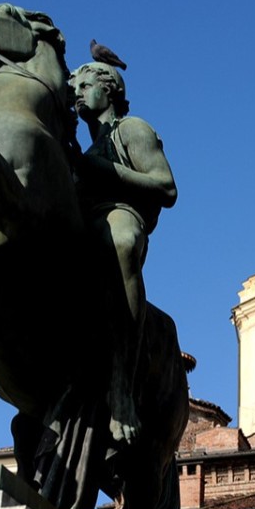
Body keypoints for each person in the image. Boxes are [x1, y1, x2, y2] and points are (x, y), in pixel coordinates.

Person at [71, 61, 177, 443]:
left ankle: (121, 388)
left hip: (120, 215)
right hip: (81, 224)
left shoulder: (131, 130)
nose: (78, 92)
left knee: (121, 243)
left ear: (109, 89)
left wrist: (99, 169)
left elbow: (166, 187)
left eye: (85, 85)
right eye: (75, 86)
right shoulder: (81, 146)